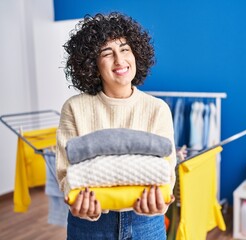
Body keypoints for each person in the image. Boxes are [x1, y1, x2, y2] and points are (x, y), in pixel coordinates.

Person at [56, 12, 176, 239]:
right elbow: (65, 173)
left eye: (124, 49)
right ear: (93, 63)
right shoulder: (74, 108)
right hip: (90, 225)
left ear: (136, 54)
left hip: (146, 223)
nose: (120, 60)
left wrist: (161, 202)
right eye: (107, 53)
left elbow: (166, 172)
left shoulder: (157, 109)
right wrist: (78, 201)